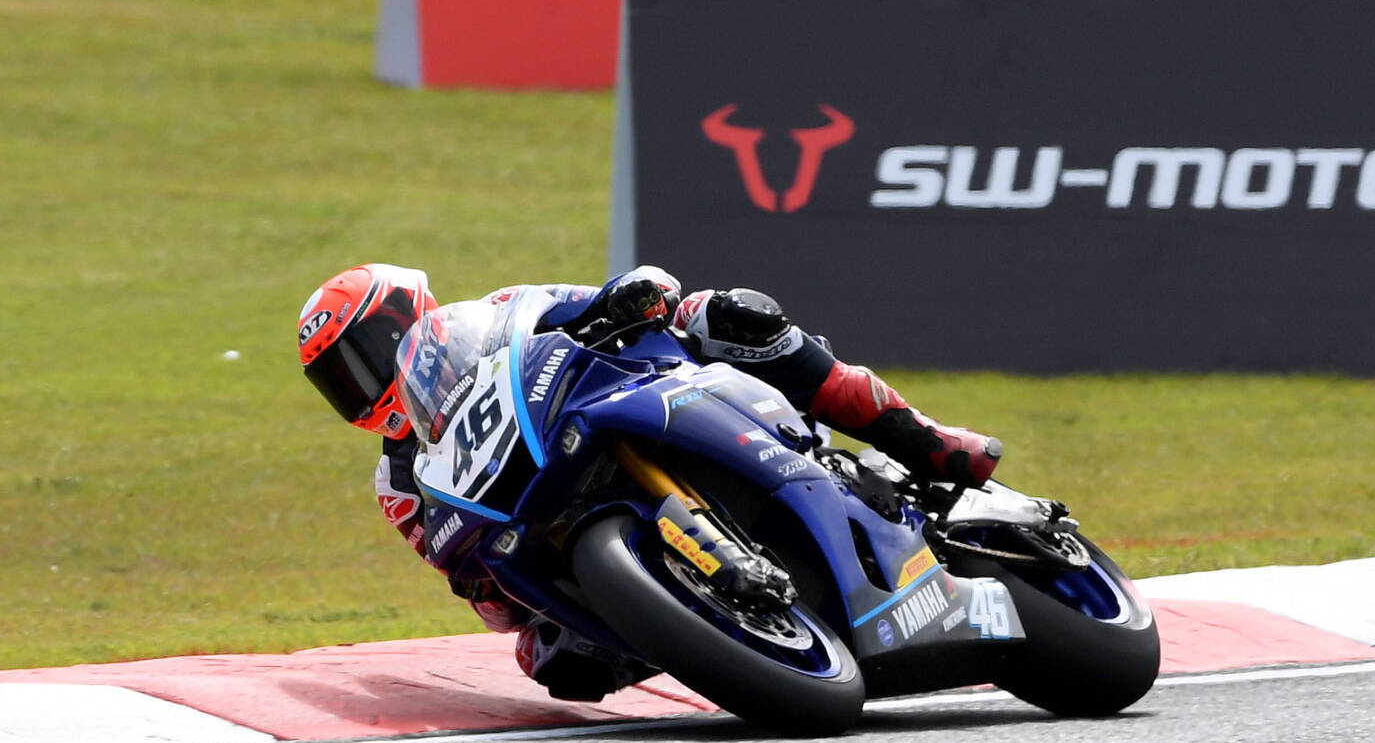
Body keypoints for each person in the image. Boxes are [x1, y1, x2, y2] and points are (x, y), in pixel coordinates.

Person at [296, 262, 1001, 700]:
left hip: (635, 401)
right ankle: (710, 631)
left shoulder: (500, 313)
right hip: (554, 523)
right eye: (340, 381)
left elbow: (614, 297)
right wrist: (480, 586)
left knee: (723, 313)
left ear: (406, 317)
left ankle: (923, 439)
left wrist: (633, 295)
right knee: (551, 663)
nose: (363, 384)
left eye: (365, 355)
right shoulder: (398, 480)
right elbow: (468, 580)